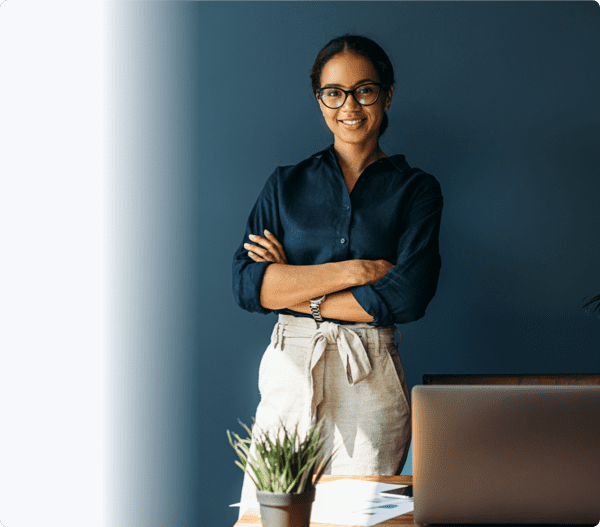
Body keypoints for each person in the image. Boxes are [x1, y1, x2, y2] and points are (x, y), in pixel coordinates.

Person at [232, 34, 442, 513]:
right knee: (270, 517)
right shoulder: (285, 185)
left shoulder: (416, 190)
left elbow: (408, 295)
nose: (349, 105)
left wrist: (292, 286)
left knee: (363, 518)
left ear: (387, 94)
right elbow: (247, 285)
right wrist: (358, 269)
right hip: (290, 366)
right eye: (334, 92)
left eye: (364, 90)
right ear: (320, 99)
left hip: (368, 371)